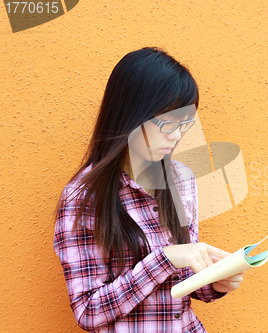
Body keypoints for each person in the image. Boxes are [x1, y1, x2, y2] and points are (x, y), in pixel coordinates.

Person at [53, 46, 243, 332]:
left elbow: (182, 287)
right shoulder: (83, 198)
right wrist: (163, 259)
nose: (177, 135)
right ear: (131, 113)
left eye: (185, 124)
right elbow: (88, 312)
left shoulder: (182, 179)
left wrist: (216, 281)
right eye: (168, 123)